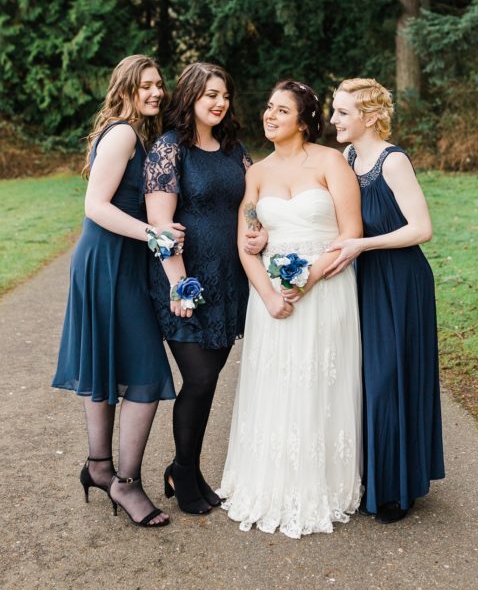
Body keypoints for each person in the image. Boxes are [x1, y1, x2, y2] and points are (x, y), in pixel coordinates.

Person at [217, 80, 363, 538]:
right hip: (271, 298)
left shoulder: (331, 162)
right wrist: (266, 293)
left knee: (321, 380)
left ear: (303, 120)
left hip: (325, 288)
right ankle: (270, 481)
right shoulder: (255, 173)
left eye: (281, 109)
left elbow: (351, 234)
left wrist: (307, 277)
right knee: (277, 382)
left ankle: (323, 484)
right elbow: (247, 240)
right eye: (267, 107)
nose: (270, 115)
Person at [52, 55, 182, 527]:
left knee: (111, 365)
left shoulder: (130, 131)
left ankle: (99, 467)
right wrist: (155, 234)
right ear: (125, 88)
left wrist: (157, 230)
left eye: (159, 84)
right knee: (146, 376)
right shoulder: (124, 133)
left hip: (119, 262)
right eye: (145, 85)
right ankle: (123, 482)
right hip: (106, 262)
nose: (155, 93)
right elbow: (95, 206)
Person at [324, 78, 445, 524]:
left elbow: (421, 229)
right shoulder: (348, 158)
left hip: (399, 280)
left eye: (342, 112)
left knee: (389, 379)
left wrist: (362, 247)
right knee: (363, 376)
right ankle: (372, 476)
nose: (332, 119)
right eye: (334, 110)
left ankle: (396, 488)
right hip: (364, 278)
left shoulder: (393, 162)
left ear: (370, 117)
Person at [144, 62, 253, 514]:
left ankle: (187, 467)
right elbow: (159, 227)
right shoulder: (170, 150)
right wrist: (179, 287)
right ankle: (183, 474)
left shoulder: (234, 150)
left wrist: (258, 231)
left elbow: (254, 205)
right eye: (210, 94)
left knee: (207, 384)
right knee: (201, 377)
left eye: (224, 95)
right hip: (185, 285)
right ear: (190, 96)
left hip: (230, 283)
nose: (219, 102)